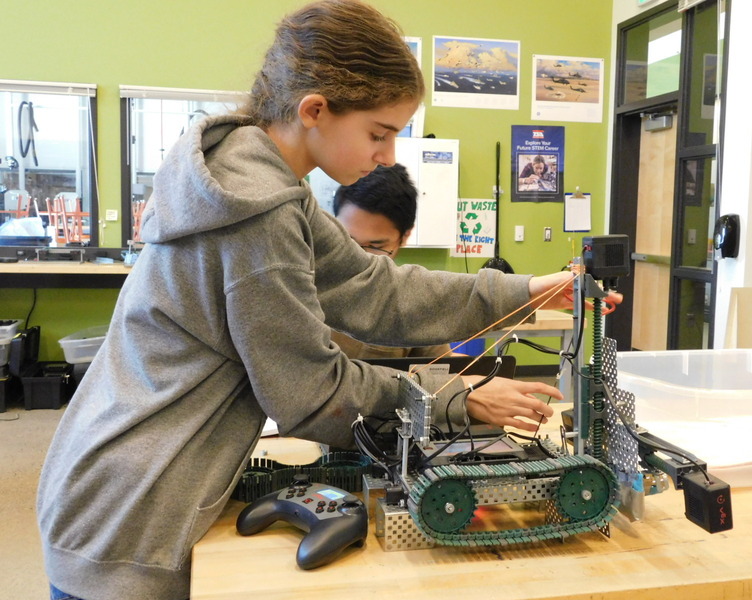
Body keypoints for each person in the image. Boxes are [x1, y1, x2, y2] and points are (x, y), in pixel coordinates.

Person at [37, 2, 597, 599]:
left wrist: (526, 289)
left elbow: (374, 289)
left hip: (122, 481)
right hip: (134, 509)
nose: (387, 156)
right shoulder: (259, 217)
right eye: (379, 134)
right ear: (314, 111)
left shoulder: (265, 184)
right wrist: (460, 398)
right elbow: (312, 394)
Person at [330, 163, 453, 359]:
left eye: (376, 246)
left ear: (404, 237)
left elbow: (441, 368)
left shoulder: (412, 301)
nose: (359, 256)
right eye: (348, 240)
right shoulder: (303, 284)